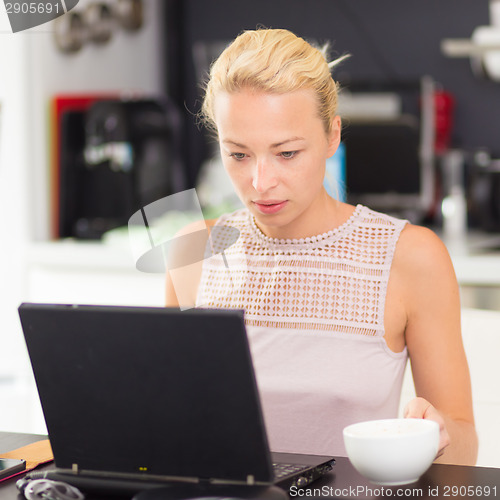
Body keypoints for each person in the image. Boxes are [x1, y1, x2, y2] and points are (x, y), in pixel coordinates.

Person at [165, 28, 478, 465]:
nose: (261, 182)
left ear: (332, 136)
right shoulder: (192, 251)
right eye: (238, 154)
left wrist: (438, 437)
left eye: (287, 153)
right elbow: (168, 424)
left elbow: (462, 438)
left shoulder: (410, 257)